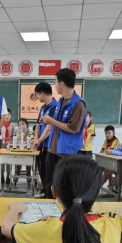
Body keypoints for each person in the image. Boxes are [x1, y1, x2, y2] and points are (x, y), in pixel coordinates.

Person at [43, 69, 87, 199]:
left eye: (55, 82)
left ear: (62, 83)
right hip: (53, 149)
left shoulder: (78, 104)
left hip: (66, 152)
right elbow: (57, 123)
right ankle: (49, 205)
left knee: (63, 184)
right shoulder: (61, 101)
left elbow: (73, 129)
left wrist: (52, 121)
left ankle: (62, 208)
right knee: (50, 182)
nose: (55, 85)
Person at [32, 83, 58, 198]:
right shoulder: (43, 108)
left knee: (49, 171)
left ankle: (50, 195)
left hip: (50, 146)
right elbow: (38, 124)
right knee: (42, 169)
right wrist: (36, 139)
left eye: (37, 95)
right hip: (41, 145)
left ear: (42, 94)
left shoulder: (55, 107)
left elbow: (49, 127)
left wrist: (39, 140)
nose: (37, 97)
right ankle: (45, 191)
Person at [14, 118, 32, 185]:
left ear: (27, 125)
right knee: (19, 162)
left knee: (28, 162)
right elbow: (15, 141)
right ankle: (17, 173)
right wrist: (19, 135)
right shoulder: (17, 133)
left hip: (28, 151)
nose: (21, 126)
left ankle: (28, 174)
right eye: (20, 125)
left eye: (23, 124)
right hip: (19, 151)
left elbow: (32, 141)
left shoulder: (30, 133)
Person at [0, 110, 15, 185]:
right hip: (1, 146)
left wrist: (12, 139)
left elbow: (14, 135)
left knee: (9, 162)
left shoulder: (12, 126)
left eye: (8, 115)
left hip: (9, 147)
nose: (7, 116)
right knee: (1, 162)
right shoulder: (0, 125)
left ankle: (8, 177)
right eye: (5, 115)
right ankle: (2, 176)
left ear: (10, 116)